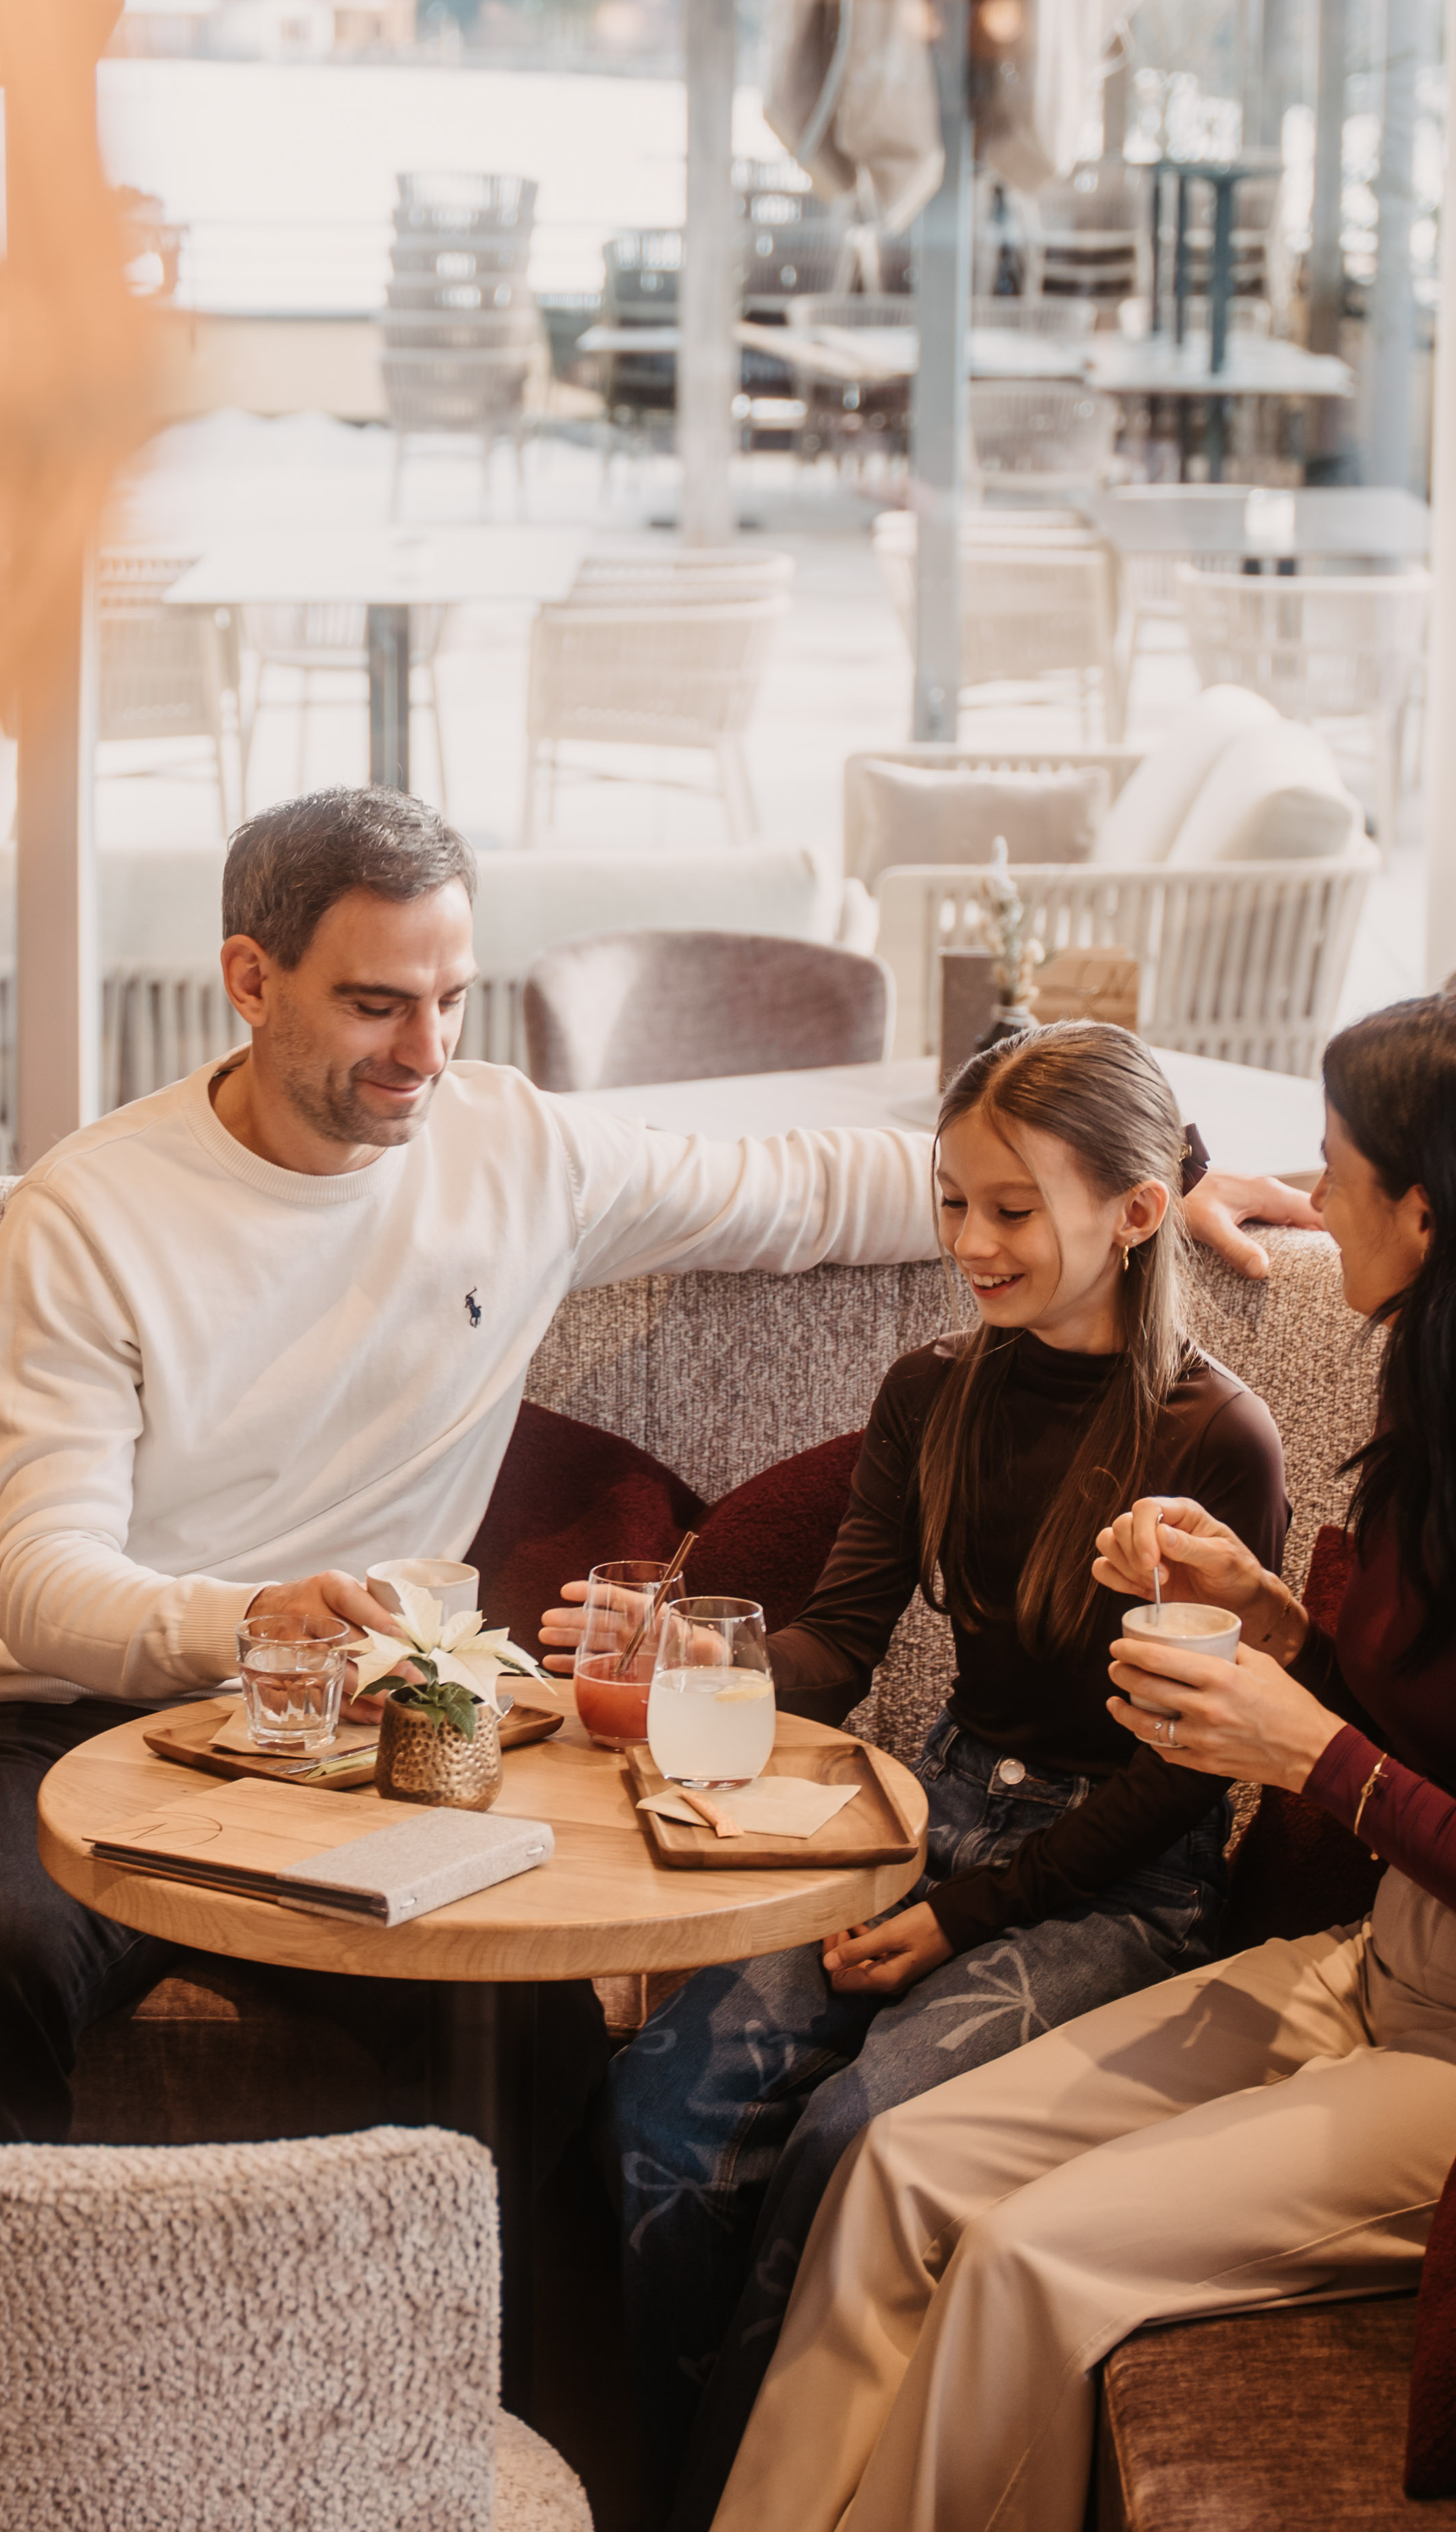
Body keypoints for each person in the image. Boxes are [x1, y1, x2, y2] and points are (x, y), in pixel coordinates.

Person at [0, 788, 1314, 2144]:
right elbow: (40, 1578)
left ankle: (533, 2425)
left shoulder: (509, 1144)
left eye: (450, 1000)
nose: (426, 1054)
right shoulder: (91, 1210)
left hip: (374, 1741)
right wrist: (247, 1621)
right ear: (251, 979)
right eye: (374, 1004)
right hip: (67, 1719)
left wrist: (1153, 1192)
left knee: (539, 2051)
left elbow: (809, 1186)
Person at [709, 987, 1456, 2532]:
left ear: (1426, 1210)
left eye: (1339, 1165)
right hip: (1391, 1968)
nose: (1309, 1194)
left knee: (1026, 2261)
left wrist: (1321, 1756)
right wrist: (1271, 1619)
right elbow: (1445, 1727)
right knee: (899, 2169)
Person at [582, 1024, 1290, 2531]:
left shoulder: (1218, 1438)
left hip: (1120, 1868)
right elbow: (840, 1643)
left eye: (1014, 1210)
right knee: (663, 2100)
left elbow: (1186, 1775)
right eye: (953, 1200)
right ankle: (665, 2484)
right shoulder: (934, 1389)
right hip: (934, 1804)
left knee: (859, 2133)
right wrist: (688, 1657)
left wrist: (969, 1920)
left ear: (1139, 1212)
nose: (971, 1241)